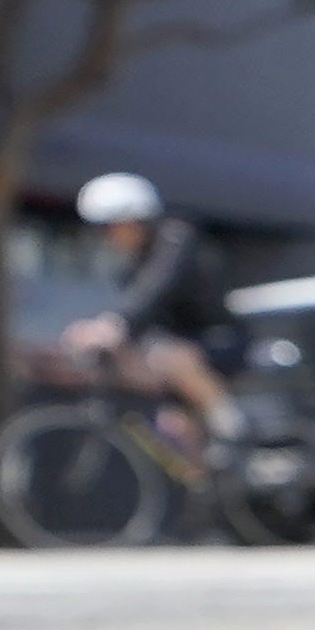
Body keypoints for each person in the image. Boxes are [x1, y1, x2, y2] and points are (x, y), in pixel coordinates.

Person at [62, 169, 231, 441]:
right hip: (176, 349)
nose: (107, 237)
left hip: (219, 338)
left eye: (110, 226)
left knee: (169, 357)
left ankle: (233, 425)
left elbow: (155, 290)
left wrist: (113, 325)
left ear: (134, 219)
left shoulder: (176, 238)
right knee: (173, 430)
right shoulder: (129, 269)